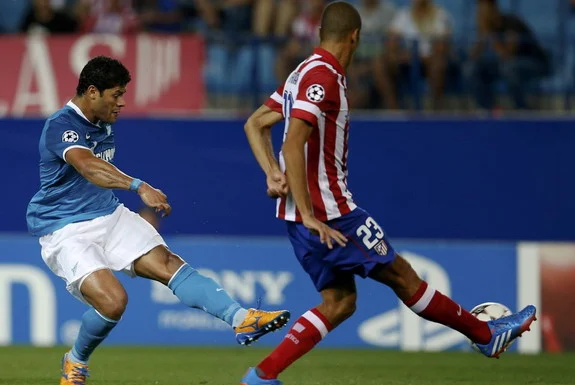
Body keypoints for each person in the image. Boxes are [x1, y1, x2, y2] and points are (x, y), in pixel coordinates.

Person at [240, 2, 536, 384]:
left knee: (339, 302)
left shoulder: (301, 73)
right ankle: (486, 335)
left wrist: (271, 173)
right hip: (331, 213)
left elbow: (256, 123)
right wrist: (311, 210)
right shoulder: (323, 76)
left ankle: (262, 377)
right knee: (403, 277)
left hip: (298, 218)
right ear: (356, 37)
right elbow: (294, 142)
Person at [25, 55, 290, 385]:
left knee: (169, 263)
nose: (121, 103)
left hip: (108, 214)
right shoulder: (62, 125)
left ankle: (242, 318)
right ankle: (75, 361)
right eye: (116, 94)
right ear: (92, 92)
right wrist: (139, 186)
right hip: (65, 228)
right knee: (113, 301)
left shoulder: (102, 120)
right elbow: (88, 166)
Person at [467, 0, 549, 110]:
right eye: (479, 11)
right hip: (506, 65)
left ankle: (522, 108)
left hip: (534, 62)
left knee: (509, 68)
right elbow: (473, 56)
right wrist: (482, 35)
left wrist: (489, 33)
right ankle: (491, 109)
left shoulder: (511, 22)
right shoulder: (485, 28)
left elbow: (507, 55)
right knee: (472, 69)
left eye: (483, 10)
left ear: (493, 10)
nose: (480, 13)